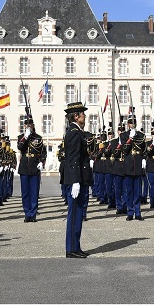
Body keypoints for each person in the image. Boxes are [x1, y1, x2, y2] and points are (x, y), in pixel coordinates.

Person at [61, 101, 92, 258]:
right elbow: (73, 158)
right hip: (77, 179)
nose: (84, 116)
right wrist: (75, 181)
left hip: (80, 177)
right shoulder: (74, 132)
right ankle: (71, 248)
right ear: (76, 116)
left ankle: (76, 246)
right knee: (74, 214)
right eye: (82, 113)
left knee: (78, 214)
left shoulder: (77, 131)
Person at [17, 114, 46, 222]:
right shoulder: (21, 137)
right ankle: (26, 213)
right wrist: (26, 136)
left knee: (34, 191)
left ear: (33, 125)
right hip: (24, 166)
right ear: (25, 126)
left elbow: (43, 152)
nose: (29, 126)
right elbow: (20, 147)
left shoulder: (38, 138)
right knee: (25, 192)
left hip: (34, 166)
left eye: (30, 124)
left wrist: (42, 162)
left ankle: (33, 214)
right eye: (27, 124)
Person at [121, 110, 147, 221]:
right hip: (128, 164)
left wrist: (144, 159)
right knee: (129, 190)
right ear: (128, 124)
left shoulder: (141, 135)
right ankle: (130, 212)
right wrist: (130, 139)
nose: (132, 124)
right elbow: (124, 150)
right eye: (130, 122)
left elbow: (144, 149)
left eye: (134, 122)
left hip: (137, 164)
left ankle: (138, 212)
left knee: (137, 191)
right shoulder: (124, 136)